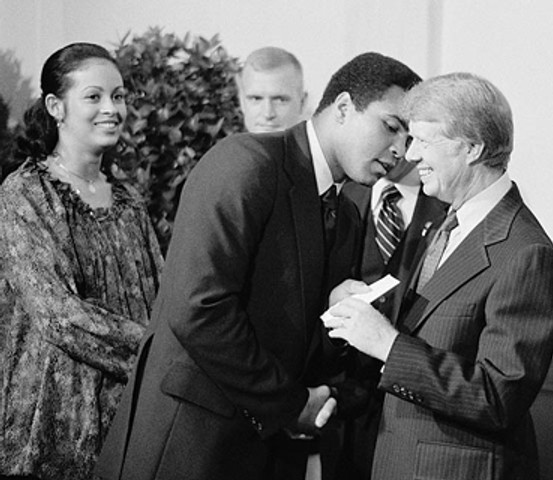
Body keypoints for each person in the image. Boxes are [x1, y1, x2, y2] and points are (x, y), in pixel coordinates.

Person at [95, 52, 419, 480]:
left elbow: (300, 339)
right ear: (342, 107)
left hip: (267, 454)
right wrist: (291, 404)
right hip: (190, 448)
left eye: (409, 138)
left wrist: (339, 317)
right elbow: (199, 309)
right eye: (391, 126)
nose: (399, 150)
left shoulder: (349, 214)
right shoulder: (246, 163)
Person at [323, 72, 553, 480]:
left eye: (423, 142)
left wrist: (388, 344)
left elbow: (498, 396)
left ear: (472, 148)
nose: (410, 155)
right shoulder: (447, 223)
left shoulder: (526, 252)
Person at [0, 43, 163, 480]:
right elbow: (57, 316)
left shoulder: (130, 202)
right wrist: (159, 352)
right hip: (53, 425)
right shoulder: (25, 194)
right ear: (56, 106)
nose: (111, 108)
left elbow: (159, 301)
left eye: (119, 96)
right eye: (94, 96)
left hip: (129, 421)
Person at [336, 159, 447, 479]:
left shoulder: (448, 205)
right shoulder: (342, 196)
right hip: (341, 412)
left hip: (416, 414)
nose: (396, 146)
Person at [237, 46, 307, 133]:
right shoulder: (223, 146)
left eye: (280, 100)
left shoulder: (320, 146)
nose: (268, 114)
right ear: (242, 102)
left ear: (302, 103)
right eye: (256, 99)